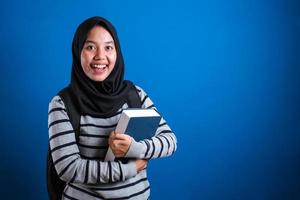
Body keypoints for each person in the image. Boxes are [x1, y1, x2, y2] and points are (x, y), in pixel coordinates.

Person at [48, 16, 177, 200]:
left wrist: (135, 149)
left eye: (108, 47)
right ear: (78, 52)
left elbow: (170, 141)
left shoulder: (135, 94)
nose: (100, 56)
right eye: (90, 47)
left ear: (117, 52)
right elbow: (68, 168)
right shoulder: (62, 104)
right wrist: (130, 168)